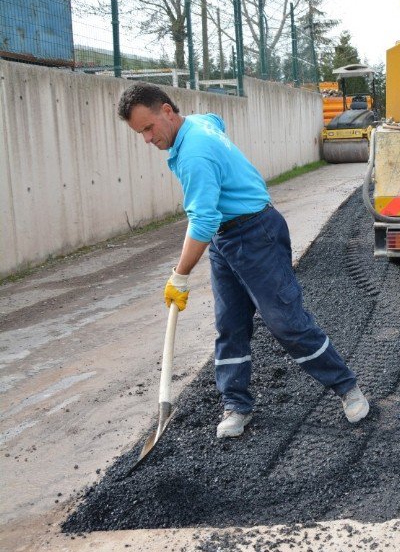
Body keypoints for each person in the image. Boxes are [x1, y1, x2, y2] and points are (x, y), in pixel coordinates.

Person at [118, 83, 369, 439]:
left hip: (256, 235)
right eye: (139, 132)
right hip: (226, 238)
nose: (146, 138)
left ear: (167, 112)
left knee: (285, 322)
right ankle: (236, 404)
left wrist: (180, 275)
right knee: (230, 325)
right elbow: (216, 120)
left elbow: (201, 221)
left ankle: (347, 388)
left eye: (148, 127)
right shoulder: (199, 124)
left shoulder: (194, 154)